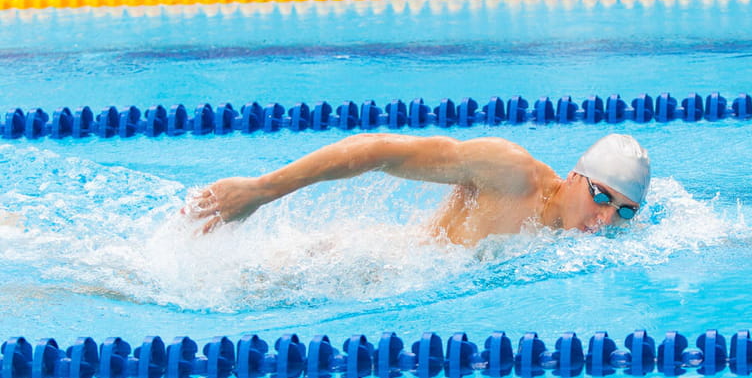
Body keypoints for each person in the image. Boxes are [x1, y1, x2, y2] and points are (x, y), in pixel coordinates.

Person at [186, 132, 651, 246]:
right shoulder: (509, 172)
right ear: (574, 177)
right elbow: (377, 150)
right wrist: (261, 190)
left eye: (625, 211)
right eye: (602, 196)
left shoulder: (602, 245)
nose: (606, 218)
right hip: (369, 268)